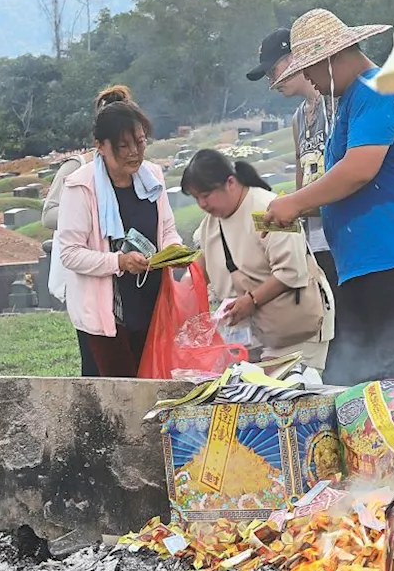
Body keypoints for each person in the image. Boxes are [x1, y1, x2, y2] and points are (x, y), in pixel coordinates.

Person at [263, 9, 394, 385]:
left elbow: (360, 168)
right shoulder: (351, 102)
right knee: (358, 387)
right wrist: (295, 210)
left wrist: (295, 202)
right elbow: (345, 186)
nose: (311, 81)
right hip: (362, 265)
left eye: (311, 68)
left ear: (332, 59)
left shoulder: (379, 88)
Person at [57, 93, 181, 377]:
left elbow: (167, 230)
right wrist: (119, 262)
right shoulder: (81, 187)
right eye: (123, 146)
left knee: (154, 388)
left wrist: (175, 252)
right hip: (106, 315)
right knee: (115, 397)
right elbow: (70, 253)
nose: (134, 152)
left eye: (140, 141)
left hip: (152, 304)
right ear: (101, 146)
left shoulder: (152, 176)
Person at [182, 148, 334, 371]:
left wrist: (251, 300)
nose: (202, 204)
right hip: (250, 339)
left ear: (231, 183)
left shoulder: (269, 211)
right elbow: (201, 267)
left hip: (296, 330)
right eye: (197, 198)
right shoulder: (209, 226)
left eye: (206, 195)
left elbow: (291, 271)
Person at [248, 27, 340, 373]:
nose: (273, 81)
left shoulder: (336, 103)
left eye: (274, 70)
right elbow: (302, 182)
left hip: (341, 234)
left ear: (295, 58)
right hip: (315, 240)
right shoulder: (300, 117)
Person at [43, 86, 131, 376]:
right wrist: (85, 217)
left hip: (129, 278)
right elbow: (49, 215)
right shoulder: (77, 169)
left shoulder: (138, 169)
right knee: (95, 364)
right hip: (91, 271)